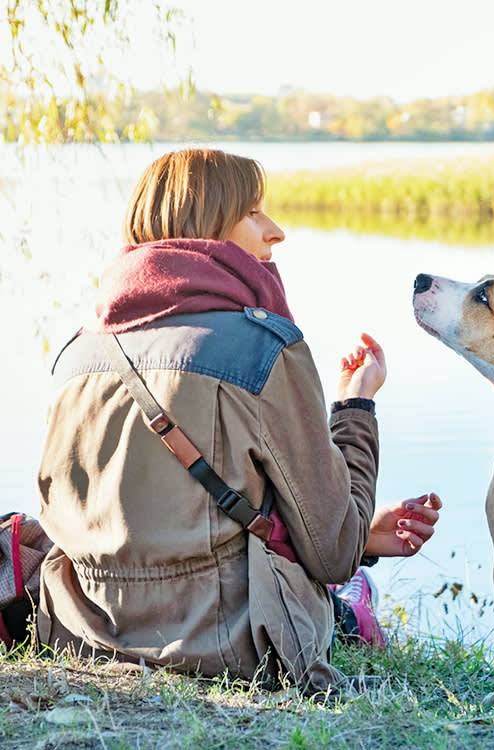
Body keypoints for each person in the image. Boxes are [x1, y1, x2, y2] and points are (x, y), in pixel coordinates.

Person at [36, 148, 441, 695]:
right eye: (253, 212)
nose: (275, 232)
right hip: (229, 647)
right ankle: (353, 618)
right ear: (205, 227)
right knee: (347, 582)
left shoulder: (75, 356)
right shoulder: (263, 348)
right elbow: (335, 553)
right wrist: (355, 407)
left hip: (80, 635)